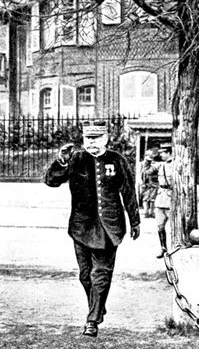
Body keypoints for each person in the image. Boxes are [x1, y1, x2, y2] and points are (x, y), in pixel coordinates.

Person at [44, 120, 141, 338]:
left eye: (96, 139)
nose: (92, 143)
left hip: (109, 228)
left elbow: (128, 192)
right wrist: (61, 161)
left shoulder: (117, 160)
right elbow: (51, 181)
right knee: (85, 276)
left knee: (100, 274)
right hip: (81, 227)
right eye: (88, 139)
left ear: (106, 138)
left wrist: (135, 221)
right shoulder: (76, 158)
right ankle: (98, 306)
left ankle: (92, 320)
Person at [146, 143, 173, 258]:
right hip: (161, 198)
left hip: (172, 198)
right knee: (160, 226)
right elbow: (147, 171)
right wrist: (148, 159)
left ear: (169, 153)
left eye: (163, 153)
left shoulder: (176, 164)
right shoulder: (160, 165)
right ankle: (163, 248)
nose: (161, 155)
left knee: (174, 226)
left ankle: (176, 248)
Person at [139, 150, 158, 217]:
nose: (146, 162)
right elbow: (140, 176)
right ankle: (146, 212)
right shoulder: (142, 166)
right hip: (146, 185)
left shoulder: (153, 167)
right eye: (146, 161)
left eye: (148, 161)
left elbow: (156, 176)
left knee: (152, 199)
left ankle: (151, 213)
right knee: (145, 199)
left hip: (152, 185)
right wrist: (142, 184)